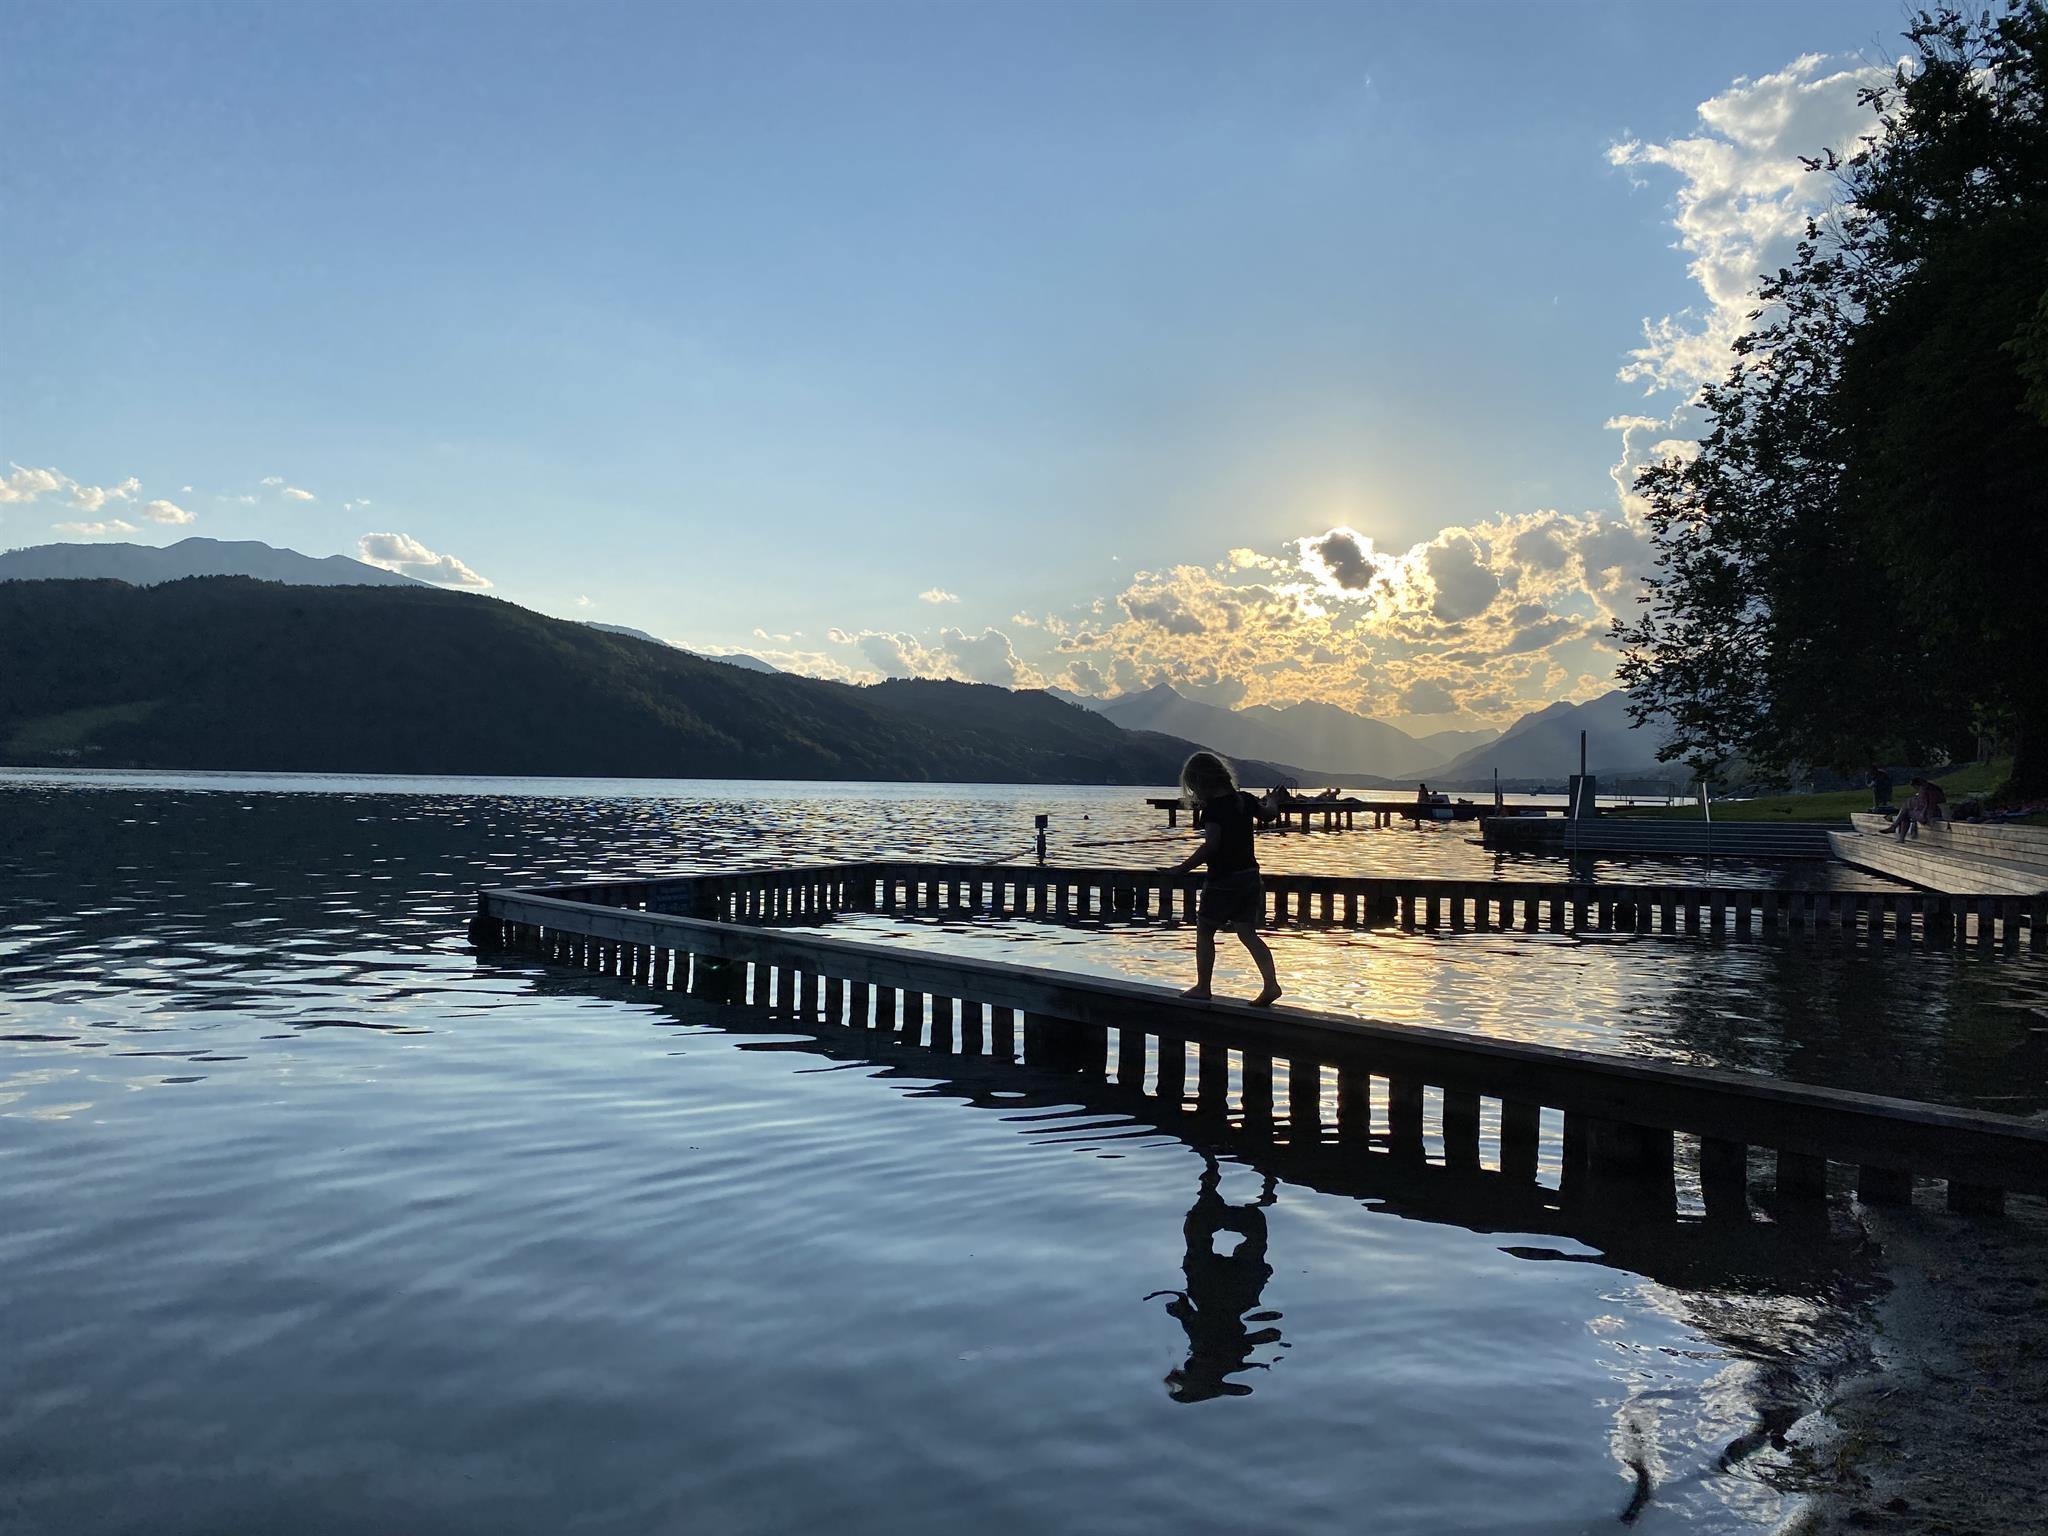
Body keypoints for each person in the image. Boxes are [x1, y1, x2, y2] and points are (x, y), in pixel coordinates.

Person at [1166, 751, 1282, 1006]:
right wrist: (1273, 801)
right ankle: (1271, 984)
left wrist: (1182, 868)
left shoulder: (1213, 810)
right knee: (1248, 933)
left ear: (1200, 783)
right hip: (1250, 877)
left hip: (1223, 880)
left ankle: (1203, 987)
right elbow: (1270, 814)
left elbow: (1211, 846)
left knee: (1205, 930)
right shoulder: (1245, 800)